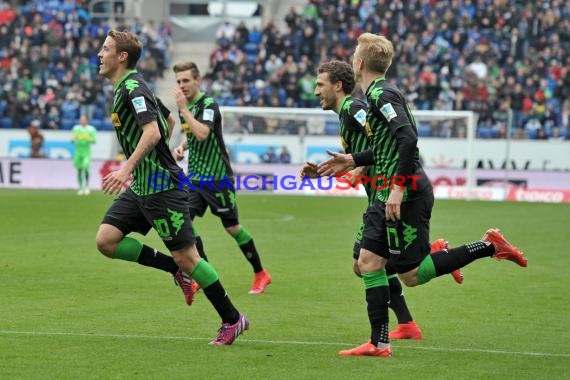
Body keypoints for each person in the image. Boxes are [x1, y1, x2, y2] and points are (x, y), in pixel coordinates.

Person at [317, 34, 527, 357]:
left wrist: (398, 187)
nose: (317, 90)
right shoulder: (375, 94)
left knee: (406, 273)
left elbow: (408, 138)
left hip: (404, 191)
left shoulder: (380, 96)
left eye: (354, 55)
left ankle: (488, 246)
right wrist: (352, 160)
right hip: (391, 190)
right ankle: (381, 342)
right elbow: (387, 145)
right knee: (369, 262)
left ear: (359, 63)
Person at [95, 29, 248, 345]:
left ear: (122, 56)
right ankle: (176, 271)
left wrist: (126, 167)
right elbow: (165, 122)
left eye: (106, 48)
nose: (100, 53)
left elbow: (152, 132)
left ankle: (233, 319)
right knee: (107, 241)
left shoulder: (133, 88)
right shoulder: (126, 88)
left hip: (162, 186)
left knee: (189, 258)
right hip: (144, 186)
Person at [301, 60, 462, 340]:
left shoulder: (354, 108)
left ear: (337, 86)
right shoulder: (345, 114)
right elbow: (371, 147)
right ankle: (407, 322)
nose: (316, 91)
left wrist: (359, 167)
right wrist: (338, 170)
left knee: (370, 264)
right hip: (379, 193)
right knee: (366, 264)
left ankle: (432, 259)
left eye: (320, 84)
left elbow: (383, 138)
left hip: (388, 193)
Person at [172, 61, 272, 295]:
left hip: (218, 178)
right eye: (178, 82)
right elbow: (192, 135)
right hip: (195, 177)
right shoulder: (184, 105)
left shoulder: (208, 105)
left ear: (198, 80)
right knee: (183, 223)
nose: (182, 85)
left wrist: (184, 110)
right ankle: (203, 273)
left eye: (186, 80)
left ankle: (260, 273)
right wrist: (182, 146)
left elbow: (204, 133)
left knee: (233, 228)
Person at [71, 115, 97, 195]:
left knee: (86, 168)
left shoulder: (91, 129)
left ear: (87, 120)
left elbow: (94, 140)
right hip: (78, 151)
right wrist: (73, 139)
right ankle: (80, 188)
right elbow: (72, 140)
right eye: (81, 119)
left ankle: (87, 186)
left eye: (84, 119)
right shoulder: (76, 128)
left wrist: (87, 138)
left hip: (86, 151)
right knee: (79, 169)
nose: (82, 121)